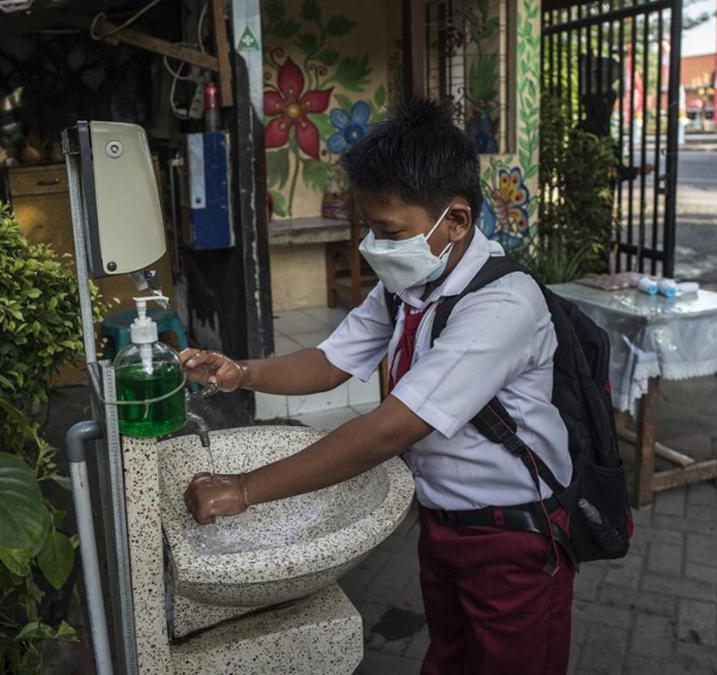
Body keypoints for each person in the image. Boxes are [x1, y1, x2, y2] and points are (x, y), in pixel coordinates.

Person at [178, 98, 575, 675]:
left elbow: (389, 428)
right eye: (370, 228)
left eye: (390, 232)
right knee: (450, 657)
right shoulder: (409, 287)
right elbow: (330, 360)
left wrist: (245, 489)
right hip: (444, 523)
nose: (375, 245)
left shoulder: (501, 305)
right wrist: (242, 371)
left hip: (511, 534)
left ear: (457, 220)